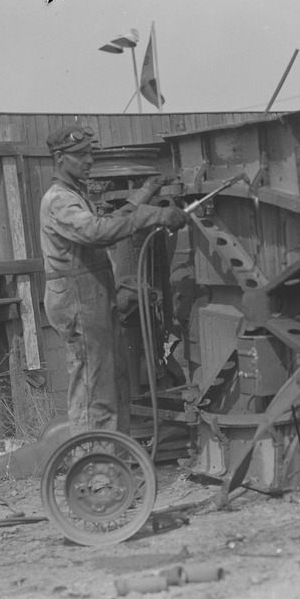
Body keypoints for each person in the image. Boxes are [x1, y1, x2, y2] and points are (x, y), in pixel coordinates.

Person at [39, 124, 187, 437]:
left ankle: (111, 461)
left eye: (90, 152)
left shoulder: (75, 195)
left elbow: (110, 221)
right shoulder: (59, 201)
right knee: (96, 391)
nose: (89, 160)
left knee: (111, 384)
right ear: (59, 158)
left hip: (91, 296)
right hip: (78, 300)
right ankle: (96, 472)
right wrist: (154, 215)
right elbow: (98, 232)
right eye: (80, 155)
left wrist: (147, 189)